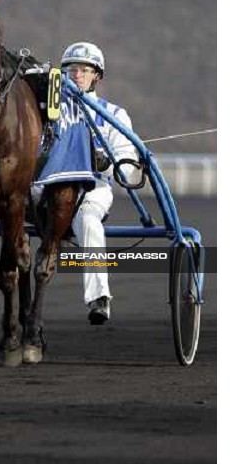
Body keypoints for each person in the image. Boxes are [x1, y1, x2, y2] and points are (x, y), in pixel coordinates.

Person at [58, 41, 138, 324]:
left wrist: (109, 161)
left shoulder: (114, 115)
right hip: (47, 187)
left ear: (96, 76)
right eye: (70, 69)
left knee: (89, 221)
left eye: (83, 70)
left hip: (93, 189)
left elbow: (127, 160)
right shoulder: (49, 112)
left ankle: (99, 298)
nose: (76, 75)